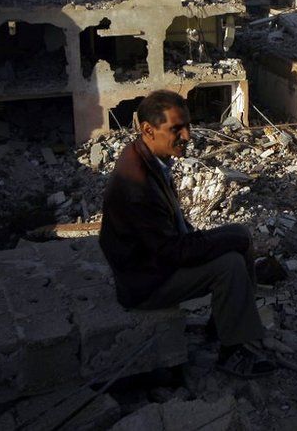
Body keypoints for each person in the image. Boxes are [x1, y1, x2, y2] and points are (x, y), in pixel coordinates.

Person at [99, 89, 275, 378]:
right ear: (148, 129)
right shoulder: (138, 184)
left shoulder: (145, 156)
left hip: (152, 264)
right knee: (229, 265)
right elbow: (174, 253)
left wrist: (226, 239)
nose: (187, 136)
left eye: (187, 126)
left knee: (238, 237)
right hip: (145, 282)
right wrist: (221, 243)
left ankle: (224, 326)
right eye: (176, 129)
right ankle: (234, 352)